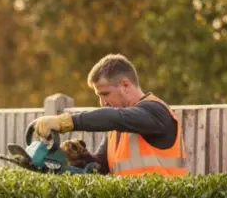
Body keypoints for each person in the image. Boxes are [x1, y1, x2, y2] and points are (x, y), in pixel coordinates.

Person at [30, 54, 189, 177]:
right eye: (99, 95)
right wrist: (74, 160)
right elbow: (99, 169)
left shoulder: (156, 112)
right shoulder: (116, 131)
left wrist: (64, 121)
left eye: (105, 94)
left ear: (125, 85)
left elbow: (115, 117)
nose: (102, 102)